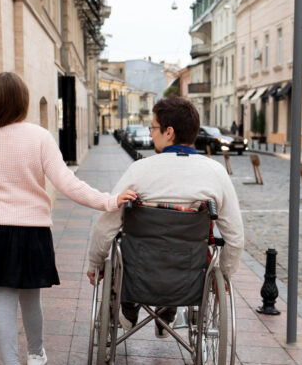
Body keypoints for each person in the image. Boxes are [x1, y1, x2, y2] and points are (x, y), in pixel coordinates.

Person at [0, 72, 137, 365]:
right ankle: (36, 356)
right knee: (30, 297)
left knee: (3, 300)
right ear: (23, 101)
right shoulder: (39, 137)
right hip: (32, 229)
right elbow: (68, 184)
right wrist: (109, 202)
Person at [86, 96, 244, 337]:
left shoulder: (140, 171)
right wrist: (225, 274)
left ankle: (128, 310)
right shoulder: (216, 173)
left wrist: (95, 264)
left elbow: (105, 227)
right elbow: (235, 236)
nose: (150, 134)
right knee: (184, 255)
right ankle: (167, 312)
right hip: (189, 278)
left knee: (128, 250)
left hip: (138, 274)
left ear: (169, 132)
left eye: (154, 128)